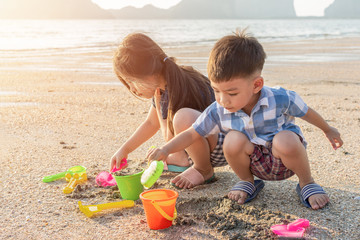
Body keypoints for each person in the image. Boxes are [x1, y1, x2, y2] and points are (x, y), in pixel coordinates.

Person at [147, 30, 343, 210]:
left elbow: (305, 111)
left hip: (285, 160)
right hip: (253, 162)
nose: (222, 100)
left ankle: (307, 182)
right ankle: (247, 181)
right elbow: (192, 132)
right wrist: (166, 149)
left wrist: (328, 129)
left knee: (284, 139)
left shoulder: (280, 98)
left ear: (257, 84)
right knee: (232, 140)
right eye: (216, 91)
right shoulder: (218, 109)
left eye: (231, 93)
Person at [110, 33, 227, 188]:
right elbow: (151, 123)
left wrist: (159, 109)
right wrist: (124, 150)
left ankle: (203, 170)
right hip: (216, 142)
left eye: (132, 81)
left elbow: (168, 137)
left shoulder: (171, 91)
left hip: (223, 145)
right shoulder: (173, 78)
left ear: (149, 75)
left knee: (182, 119)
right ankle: (183, 159)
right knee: (177, 128)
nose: (132, 89)